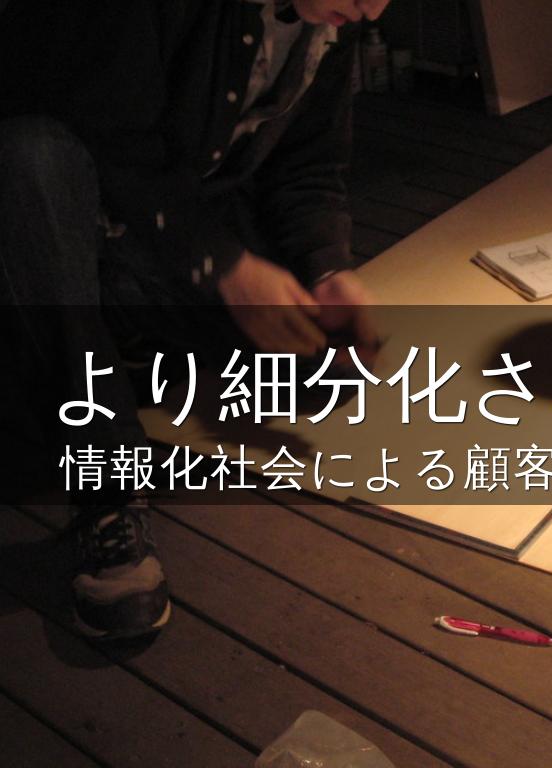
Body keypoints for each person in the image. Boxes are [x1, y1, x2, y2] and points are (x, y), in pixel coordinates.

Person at [0, 0, 389, 638]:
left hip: (178, 226)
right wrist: (222, 265)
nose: (372, 8)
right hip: (77, 206)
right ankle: (107, 492)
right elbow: (111, 142)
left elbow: (310, 168)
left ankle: (114, 340)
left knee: (322, 370)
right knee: (28, 158)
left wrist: (326, 270)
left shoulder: (330, 18)